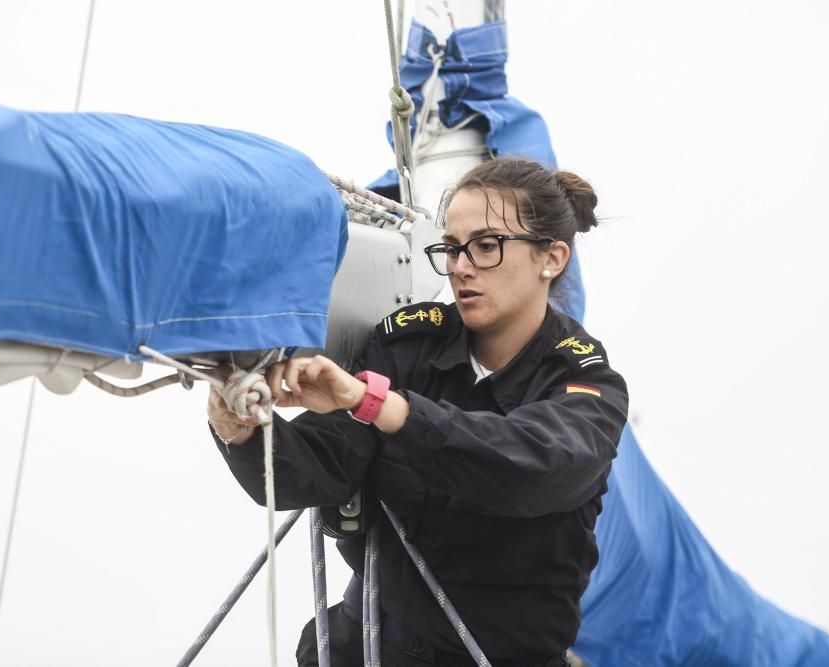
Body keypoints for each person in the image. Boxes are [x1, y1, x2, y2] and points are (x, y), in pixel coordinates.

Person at [208, 157, 628, 666]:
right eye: (451, 248)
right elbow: (321, 466)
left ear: (552, 258)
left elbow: (529, 468)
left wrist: (379, 405)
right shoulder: (407, 346)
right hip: (363, 645)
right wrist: (243, 429)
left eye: (487, 246)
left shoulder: (585, 384)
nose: (461, 266)